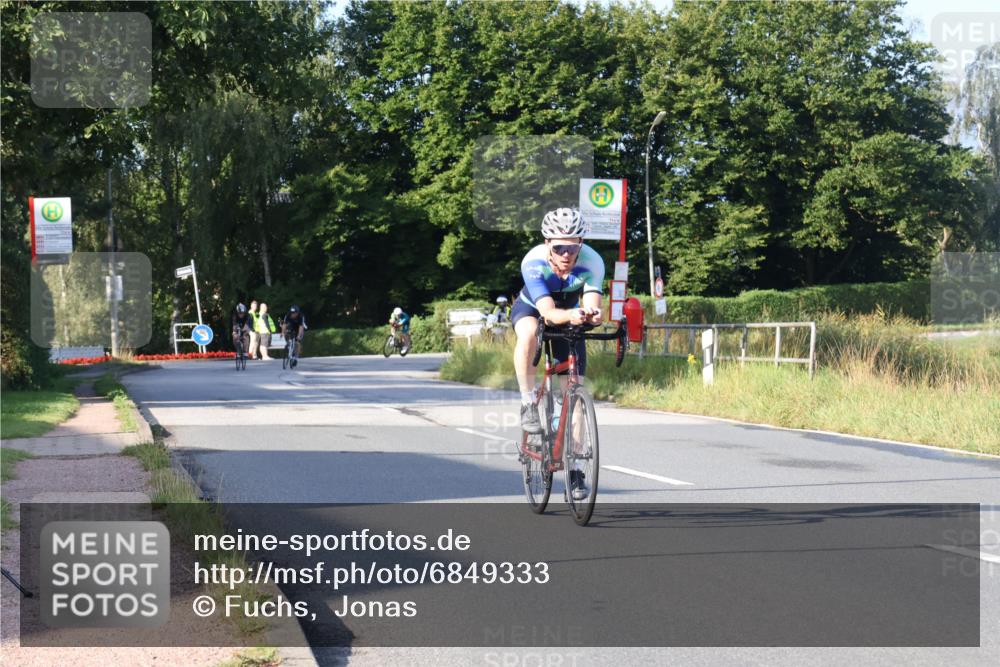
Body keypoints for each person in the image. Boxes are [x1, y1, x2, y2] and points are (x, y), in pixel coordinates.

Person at [512, 207, 604, 500]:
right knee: (527, 334)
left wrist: (593, 314)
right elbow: (549, 313)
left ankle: (576, 471)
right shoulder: (533, 262)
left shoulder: (593, 262)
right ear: (547, 244)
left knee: (574, 397)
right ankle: (528, 402)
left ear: (581, 245)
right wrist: (574, 314)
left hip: (571, 312)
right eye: (559, 247)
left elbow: (593, 302)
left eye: (573, 247)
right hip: (535, 308)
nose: (566, 254)